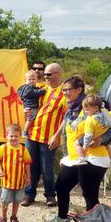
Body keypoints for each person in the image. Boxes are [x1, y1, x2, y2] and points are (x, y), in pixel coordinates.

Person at [45, 76, 111, 222]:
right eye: (63, 90)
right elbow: (67, 126)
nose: (65, 92)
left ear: (79, 90)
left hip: (93, 158)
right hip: (76, 157)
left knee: (89, 192)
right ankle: (63, 218)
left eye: (68, 89)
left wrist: (102, 139)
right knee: (61, 186)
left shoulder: (91, 105)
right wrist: (60, 142)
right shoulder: (71, 107)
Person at [21, 63, 67, 207]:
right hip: (32, 134)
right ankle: (29, 194)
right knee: (31, 166)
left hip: (49, 138)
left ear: (58, 74)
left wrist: (57, 136)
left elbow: (66, 118)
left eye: (49, 74)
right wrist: (26, 109)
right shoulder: (41, 89)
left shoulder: (64, 93)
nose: (45, 76)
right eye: (44, 74)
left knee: (47, 168)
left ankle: (50, 195)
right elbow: (25, 97)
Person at [0, 124, 31, 222]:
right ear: (6, 136)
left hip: (20, 181)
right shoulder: (3, 148)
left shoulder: (23, 150)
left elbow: (27, 164)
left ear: (20, 137)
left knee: (17, 200)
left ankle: (14, 217)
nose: (13, 138)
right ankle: (3, 217)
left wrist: (29, 177)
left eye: (16, 136)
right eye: (11, 136)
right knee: (5, 200)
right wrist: (0, 170)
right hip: (7, 181)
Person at [74, 94, 111, 165]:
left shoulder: (90, 120)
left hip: (93, 136)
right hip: (103, 134)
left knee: (76, 143)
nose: (85, 112)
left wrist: (85, 146)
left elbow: (88, 135)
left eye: (87, 110)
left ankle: (81, 158)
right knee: (107, 144)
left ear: (96, 108)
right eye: (84, 109)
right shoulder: (104, 112)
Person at [17, 70, 46, 138]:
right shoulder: (28, 87)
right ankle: (25, 131)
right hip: (30, 106)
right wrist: (41, 91)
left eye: (33, 79)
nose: (31, 81)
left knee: (32, 119)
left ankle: (27, 131)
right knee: (31, 119)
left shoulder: (28, 87)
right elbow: (31, 93)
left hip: (29, 106)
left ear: (37, 80)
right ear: (26, 80)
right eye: (29, 79)